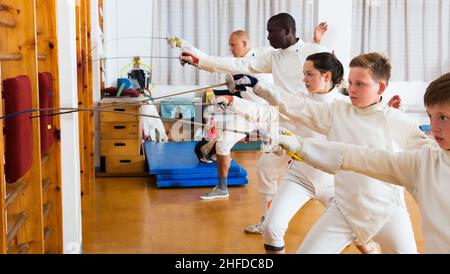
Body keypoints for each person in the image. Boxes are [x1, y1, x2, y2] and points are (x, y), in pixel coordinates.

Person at [227, 52, 435, 253]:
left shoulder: (398, 121)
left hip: (388, 213)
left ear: (380, 87)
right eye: (350, 83)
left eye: (360, 84)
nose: (352, 89)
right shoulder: (337, 111)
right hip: (344, 210)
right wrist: (258, 86)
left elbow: (432, 155)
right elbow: (295, 106)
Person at [173, 13, 330, 235]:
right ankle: (268, 221)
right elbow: (237, 63)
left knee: (325, 183)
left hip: (311, 126)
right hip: (283, 123)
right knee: (266, 169)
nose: (267, 37)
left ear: (287, 31)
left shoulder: (312, 51)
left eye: (271, 31)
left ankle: (347, 226)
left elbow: (335, 80)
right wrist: (200, 61)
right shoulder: (273, 57)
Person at [275, 72, 450, 253]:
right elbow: (361, 158)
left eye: (443, 117)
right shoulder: (426, 163)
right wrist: (300, 146)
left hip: (386, 210)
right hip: (345, 204)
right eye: (430, 116)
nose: (434, 127)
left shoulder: (419, 148)